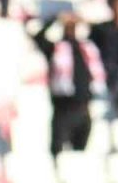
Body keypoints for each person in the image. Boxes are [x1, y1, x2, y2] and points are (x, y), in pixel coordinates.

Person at [33, 13, 105, 155]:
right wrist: (55, 19)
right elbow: (38, 37)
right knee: (57, 151)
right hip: (63, 109)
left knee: (80, 156)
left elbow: (104, 34)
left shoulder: (88, 49)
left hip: (84, 109)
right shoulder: (55, 48)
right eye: (69, 26)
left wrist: (85, 20)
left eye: (75, 26)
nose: (72, 29)